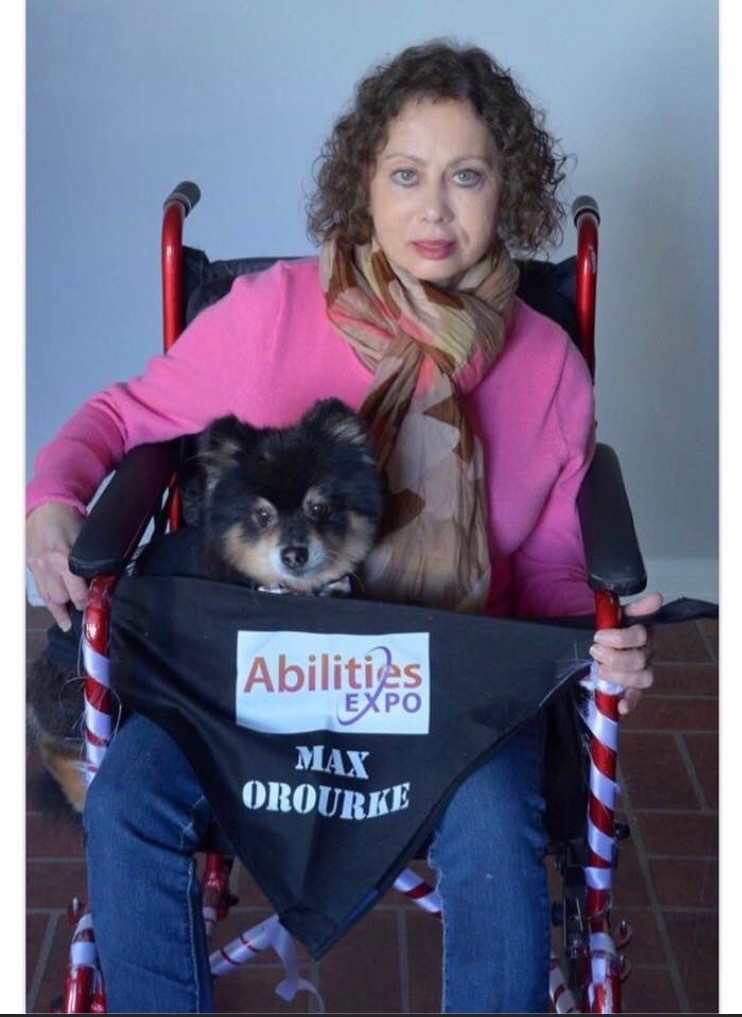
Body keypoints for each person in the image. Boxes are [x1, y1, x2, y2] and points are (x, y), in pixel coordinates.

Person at [26, 40, 661, 1014]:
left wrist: (596, 641)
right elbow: (120, 419)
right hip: (257, 660)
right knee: (130, 800)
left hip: (444, 682)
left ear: (510, 190)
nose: (435, 210)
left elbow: (542, 579)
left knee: (498, 829)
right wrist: (54, 501)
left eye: (467, 176)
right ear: (363, 183)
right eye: (406, 174)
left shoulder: (544, 370)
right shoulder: (275, 313)